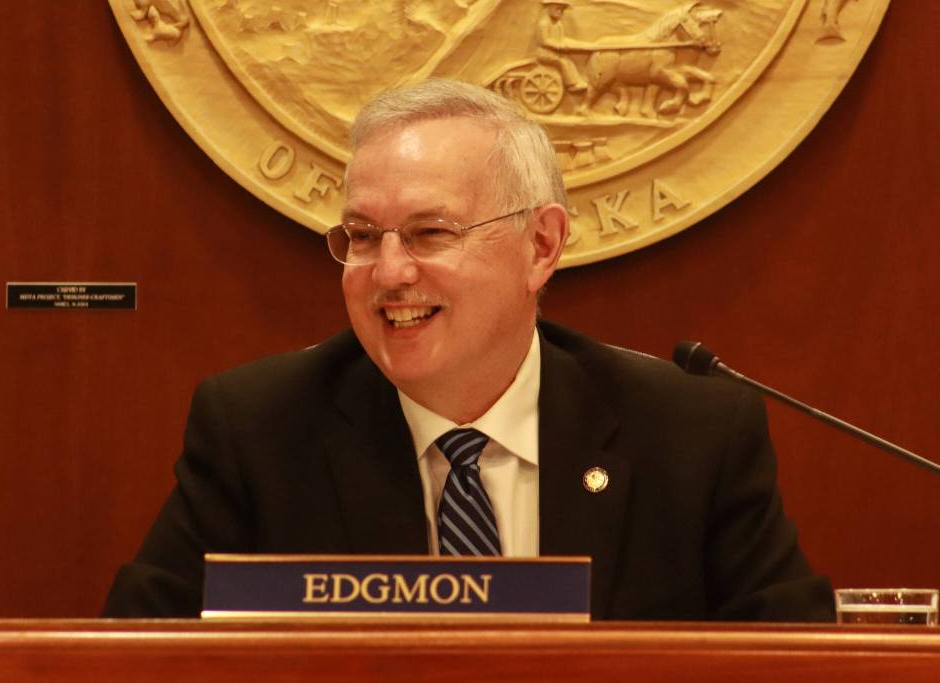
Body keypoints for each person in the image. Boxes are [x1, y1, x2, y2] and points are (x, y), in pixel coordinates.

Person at [102, 79, 833, 621]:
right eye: (361, 237)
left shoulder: (690, 436)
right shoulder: (258, 431)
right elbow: (135, 654)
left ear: (540, 245)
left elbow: (799, 660)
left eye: (430, 233)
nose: (389, 272)